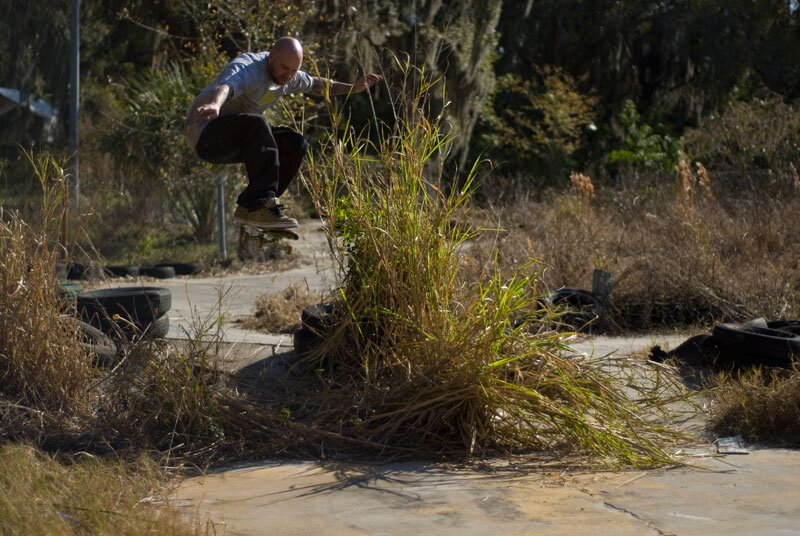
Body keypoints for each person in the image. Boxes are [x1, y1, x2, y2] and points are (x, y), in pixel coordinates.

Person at [184, 36, 383, 229]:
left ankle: (254, 209)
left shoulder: (289, 76)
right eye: (284, 69)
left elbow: (316, 84)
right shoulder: (249, 68)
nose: (287, 76)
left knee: (294, 143)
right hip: (205, 134)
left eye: (293, 71)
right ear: (271, 57)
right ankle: (260, 203)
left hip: (237, 138)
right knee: (258, 123)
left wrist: (353, 88)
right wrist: (215, 104)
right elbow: (226, 85)